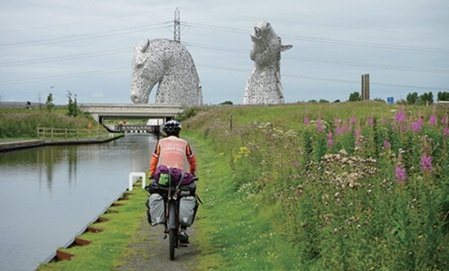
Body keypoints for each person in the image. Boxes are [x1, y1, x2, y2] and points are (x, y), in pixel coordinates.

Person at [149, 120, 196, 246]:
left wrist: (152, 174)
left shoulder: (160, 143)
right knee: (187, 195)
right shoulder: (184, 143)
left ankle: (164, 220)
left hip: (164, 176)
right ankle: (184, 229)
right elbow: (192, 162)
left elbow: (154, 161)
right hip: (180, 177)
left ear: (165, 132)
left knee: (161, 193)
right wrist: (192, 174)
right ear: (179, 132)